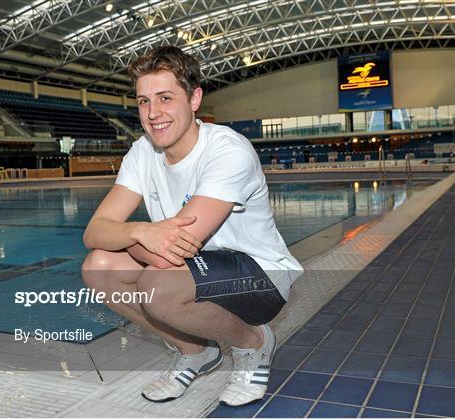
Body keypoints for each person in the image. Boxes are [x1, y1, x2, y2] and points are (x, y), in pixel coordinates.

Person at [81, 45, 303, 407]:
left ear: (194, 98)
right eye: (143, 101)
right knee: (99, 266)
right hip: (194, 269)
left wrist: (137, 237)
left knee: (159, 282)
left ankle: (252, 343)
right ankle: (194, 351)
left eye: (165, 98)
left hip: (260, 277)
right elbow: (94, 232)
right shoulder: (142, 153)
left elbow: (177, 248)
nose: (153, 114)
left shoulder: (227, 151)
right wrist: (139, 231)